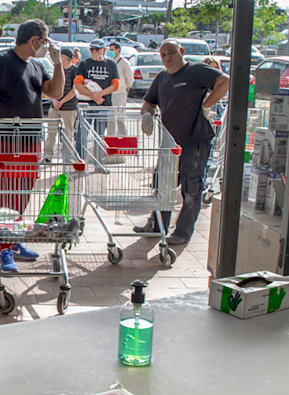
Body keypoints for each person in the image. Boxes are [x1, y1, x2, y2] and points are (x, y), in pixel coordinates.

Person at [0, 19, 65, 273]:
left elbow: (55, 92)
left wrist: (57, 63)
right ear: (34, 40)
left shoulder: (36, 65)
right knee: (4, 195)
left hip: (31, 140)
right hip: (5, 140)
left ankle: (14, 240)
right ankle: (4, 248)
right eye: (45, 41)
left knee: (22, 193)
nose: (47, 45)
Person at [135, 40, 229, 245]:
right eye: (163, 55)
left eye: (171, 53)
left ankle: (182, 232)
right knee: (162, 186)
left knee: (191, 188)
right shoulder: (161, 78)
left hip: (195, 141)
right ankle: (158, 224)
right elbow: (149, 102)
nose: (167, 58)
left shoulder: (196, 71)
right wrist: (147, 115)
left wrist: (207, 104)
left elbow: (224, 81)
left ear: (181, 52)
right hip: (170, 143)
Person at [74, 39, 119, 158]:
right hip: (86, 105)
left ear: (104, 50)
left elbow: (115, 85)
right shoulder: (84, 64)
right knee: (82, 135)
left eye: (97, 49)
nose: (94, 51)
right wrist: (92, 96)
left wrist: (100, 94)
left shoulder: (111, 64)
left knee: (100, 136)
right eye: (92, 49)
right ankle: (80, 161)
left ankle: (99, 162)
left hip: (104, 105)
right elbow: (77, 84)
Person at [46, 48, 78, 161]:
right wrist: (54, 100)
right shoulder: (57, 69)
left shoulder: (75, 71)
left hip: (69, 107)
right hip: (54, 106)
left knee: (69, 133)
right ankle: (48, 156)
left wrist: (62, 101)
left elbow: (75, 89)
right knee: (51, 131)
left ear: (66, 57)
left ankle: (67, 157)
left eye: (61, 56)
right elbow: (50, 85)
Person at [108, 42, 134, 136]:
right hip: (110, 93)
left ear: (118, 50)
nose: (110, 52)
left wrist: (126, 89)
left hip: (120, 93)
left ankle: (123, 136)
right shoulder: (109, 62)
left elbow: (130, 79)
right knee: (110, 118)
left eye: (112, 50)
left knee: (120, 117)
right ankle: (111, 138)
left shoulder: (124, 63)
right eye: (109, 50)